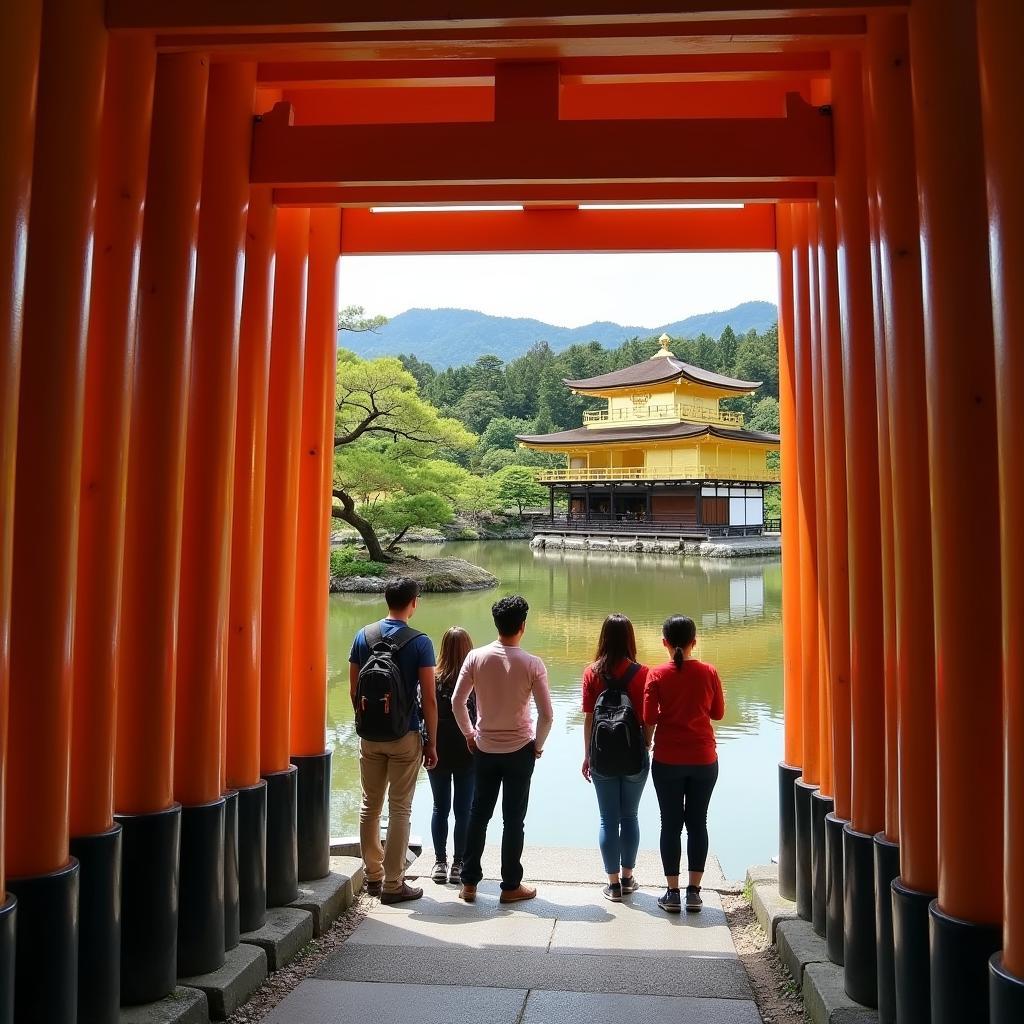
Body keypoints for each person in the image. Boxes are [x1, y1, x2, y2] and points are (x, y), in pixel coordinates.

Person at [452, 595, 554, 905]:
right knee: (514, 820)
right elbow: (547, 715)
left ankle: (469, 883)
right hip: (519, 750)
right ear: (522, 626)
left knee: (478, 814)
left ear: (497, 624)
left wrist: (469, 734)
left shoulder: (476, 657)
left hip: (484, 748)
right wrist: (537, 745)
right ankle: (510, 885)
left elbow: (457, 702)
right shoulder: (532, 664)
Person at [349, 577, 438, 904]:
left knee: (369, 805)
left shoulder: (364, 636)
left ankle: (372, 876)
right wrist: (431, 741)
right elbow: (429, 698)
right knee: (400, 808)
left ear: (386, 600)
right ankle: (393, 883)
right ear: (413, 602)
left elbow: (353, 690)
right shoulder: (420, 642)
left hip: (369, 735)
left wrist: (369, 723)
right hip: (405, 735)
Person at [643, 615, 725, 914]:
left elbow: (649, 718)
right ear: (695, 641)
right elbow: (717, 713)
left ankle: (672, 893)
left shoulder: (657, 674)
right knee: (698, 823)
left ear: (664, 642)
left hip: (667, 759)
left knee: (671, 825)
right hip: (704, 759)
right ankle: (694, 893)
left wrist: (649, 741)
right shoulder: (709, 672)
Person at [581, 614, 650, 902]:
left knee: (607, 820)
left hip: (602, 756)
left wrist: (587, 755)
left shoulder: (591, 673)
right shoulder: (644, 673)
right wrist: (646, 744)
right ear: (630, 639)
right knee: (630, 816)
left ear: (603, 638)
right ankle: (628, 876)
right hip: (635, 755)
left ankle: (613, 885)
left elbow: (588, 719)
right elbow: (648, 718)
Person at [427, 626, 477, 886]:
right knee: (464, 811)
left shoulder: (433, 678)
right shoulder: (474, 679)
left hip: (438, 748)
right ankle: (459, 863)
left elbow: (425, 712)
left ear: (443, 648)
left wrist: (428, 745)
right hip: (468, 749)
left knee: (440, 807)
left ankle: (439, 862)